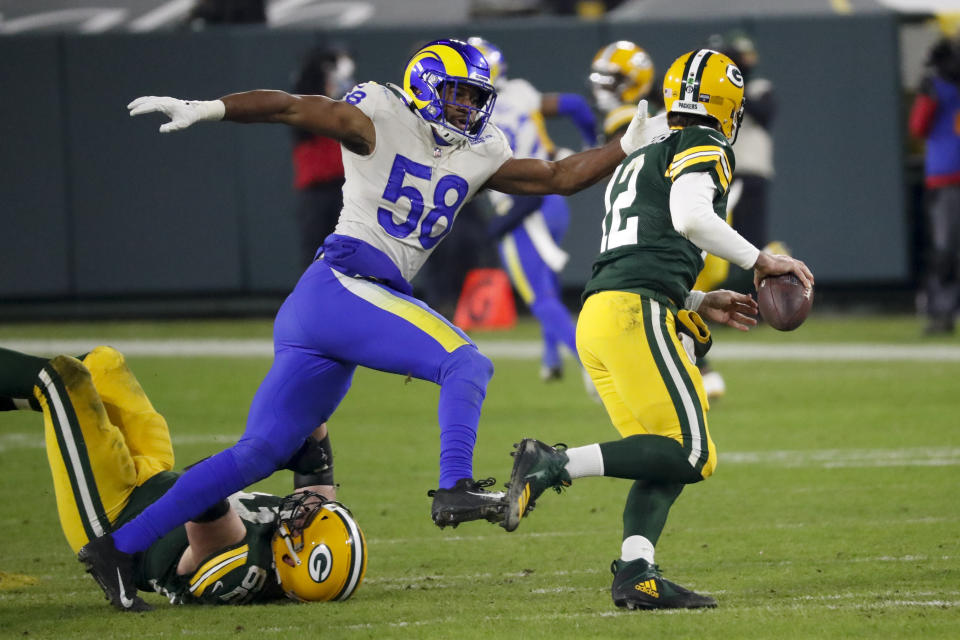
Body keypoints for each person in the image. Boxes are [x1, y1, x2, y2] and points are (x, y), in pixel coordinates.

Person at [81, 37, 654, 610]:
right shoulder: (381, 114)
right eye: (457, 94)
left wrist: (625, 146)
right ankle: (454, 487)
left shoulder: (481, 148)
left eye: (476, 98)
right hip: (345, 284)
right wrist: (210, 107)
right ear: (426, 85)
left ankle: (115, 551)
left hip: (333, 305)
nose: (467, 108)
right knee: (465, 361)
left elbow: (556, 175)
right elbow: (289, 105)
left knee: (259, 453)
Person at [498, 49, 814, 610]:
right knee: (691, 451)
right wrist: (762, 260)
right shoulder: (704, 143)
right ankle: (553, 463)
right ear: (727, 106)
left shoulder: (644, 150)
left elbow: (641, 243)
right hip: (632, 311)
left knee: (664, 452)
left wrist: (695, 296)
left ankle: (636, 573)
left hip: (604, 313)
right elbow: (692, 218)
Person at [0, 345, 366, 610]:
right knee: (104, 363)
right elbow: (317, 468)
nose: (304, 514)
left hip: (111, 515)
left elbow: (202, 495)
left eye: (307, 527)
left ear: (292, 561)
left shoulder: (246, 569)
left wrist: (267, 456)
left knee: (61, 380)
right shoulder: (289, 548)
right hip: (154, 476)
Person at [467, 36, 599, 391]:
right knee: (547, 286)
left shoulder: (469, 112)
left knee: (539, 297)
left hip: (521, 207)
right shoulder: (521, 91)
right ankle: (551, 360)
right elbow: (575, 105)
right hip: (554, 201)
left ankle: (592, 365)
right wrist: (591, 144)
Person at [692, 31, 782, 397]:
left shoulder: (758, 87)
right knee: (721, 251)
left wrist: (731, 81)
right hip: (723, 174)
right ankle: (716, 306)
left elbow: (764, 112)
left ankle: (752, 306)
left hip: (751, 174)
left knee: (751, 246)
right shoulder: (711, 96)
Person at [909, 33, 960, 335]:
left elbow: (918, 128)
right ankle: (941, 312)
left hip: (945, 178)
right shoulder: (936, 88)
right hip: (944, 180)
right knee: (945, 251)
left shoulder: (937, 86)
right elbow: (919, 126)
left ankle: (943, 312)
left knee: (946, 250)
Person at [290, 45, 357, 268]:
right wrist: (325, 60)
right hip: (315, 194)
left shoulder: (343, 106)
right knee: (315, 258)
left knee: (348, 256)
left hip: (344, 190)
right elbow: (308, 85)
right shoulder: (306, 107)